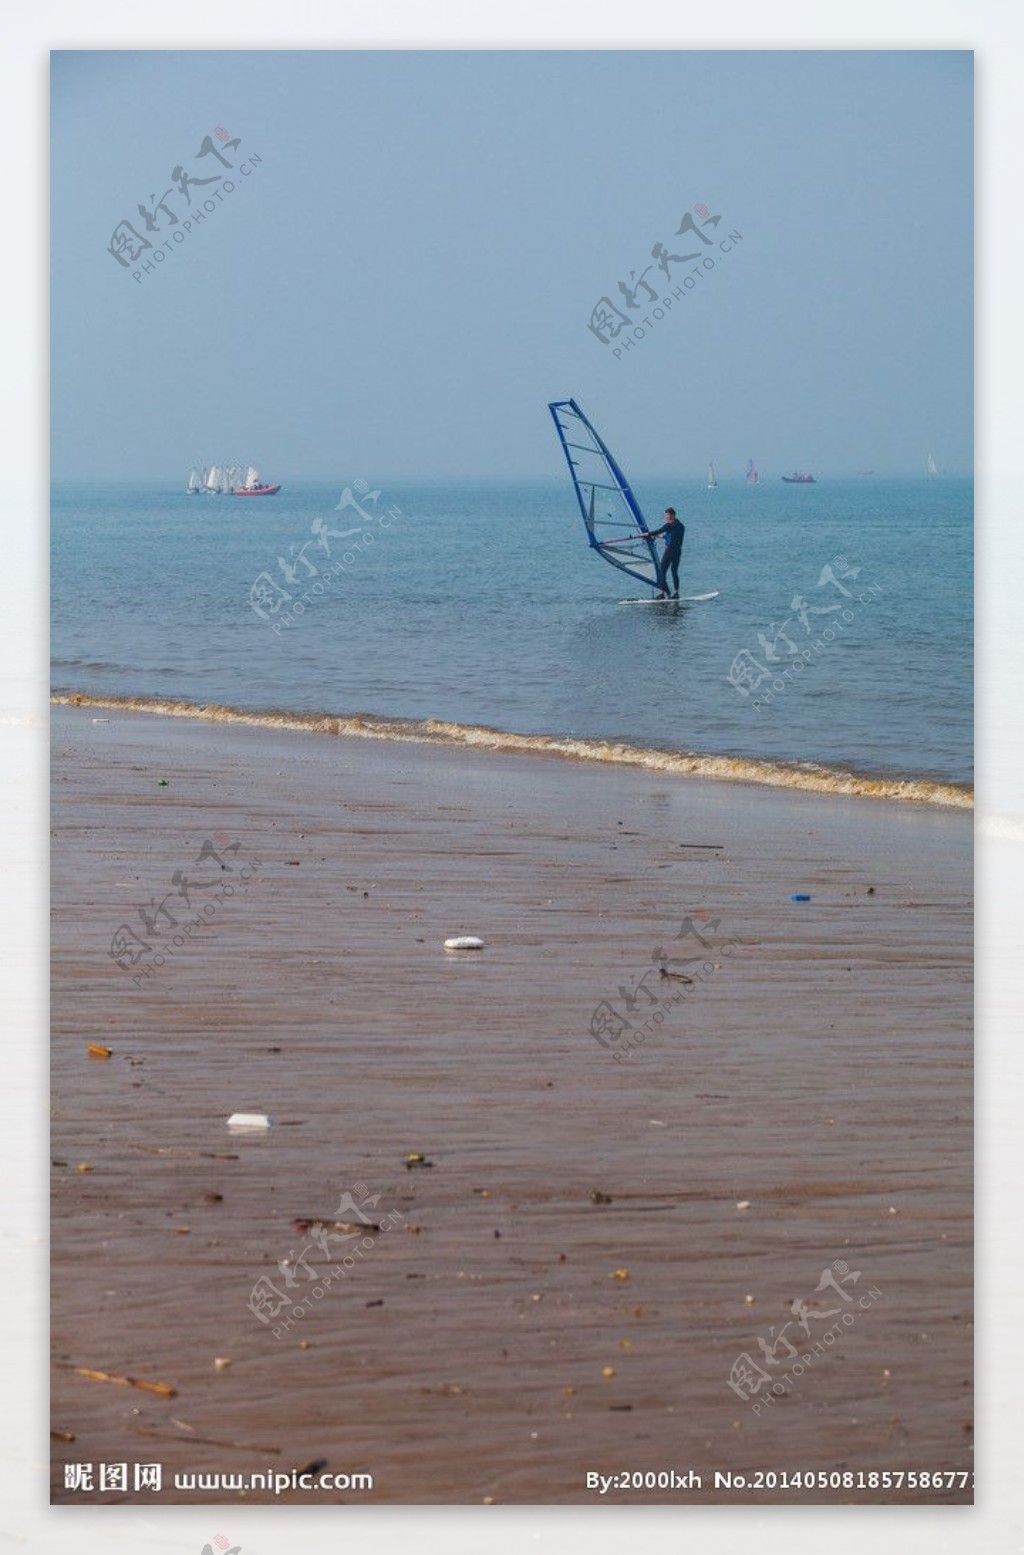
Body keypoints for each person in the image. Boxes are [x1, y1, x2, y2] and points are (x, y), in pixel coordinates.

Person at [646, 507, 685, 598]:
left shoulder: (669, 525)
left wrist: (647, 534)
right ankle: (676, 593)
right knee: (674, 571)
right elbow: (669, 536)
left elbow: (660, 530)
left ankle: (664, 593)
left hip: (670, 550)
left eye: (666, 516)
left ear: (672, 515)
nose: (665, 518)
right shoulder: (681, 526)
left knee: (661, 572)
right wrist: (656, 537)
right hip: (678, 551)